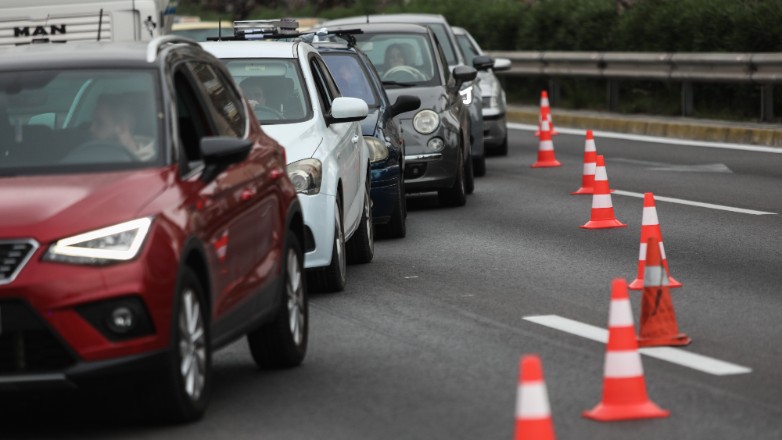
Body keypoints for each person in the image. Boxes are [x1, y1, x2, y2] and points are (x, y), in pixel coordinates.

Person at [88, 94, 156, 161]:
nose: (91, 129)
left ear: (122, 128)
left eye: (100, 123)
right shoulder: (87, 157)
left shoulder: (152, 162)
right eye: (92, 122)